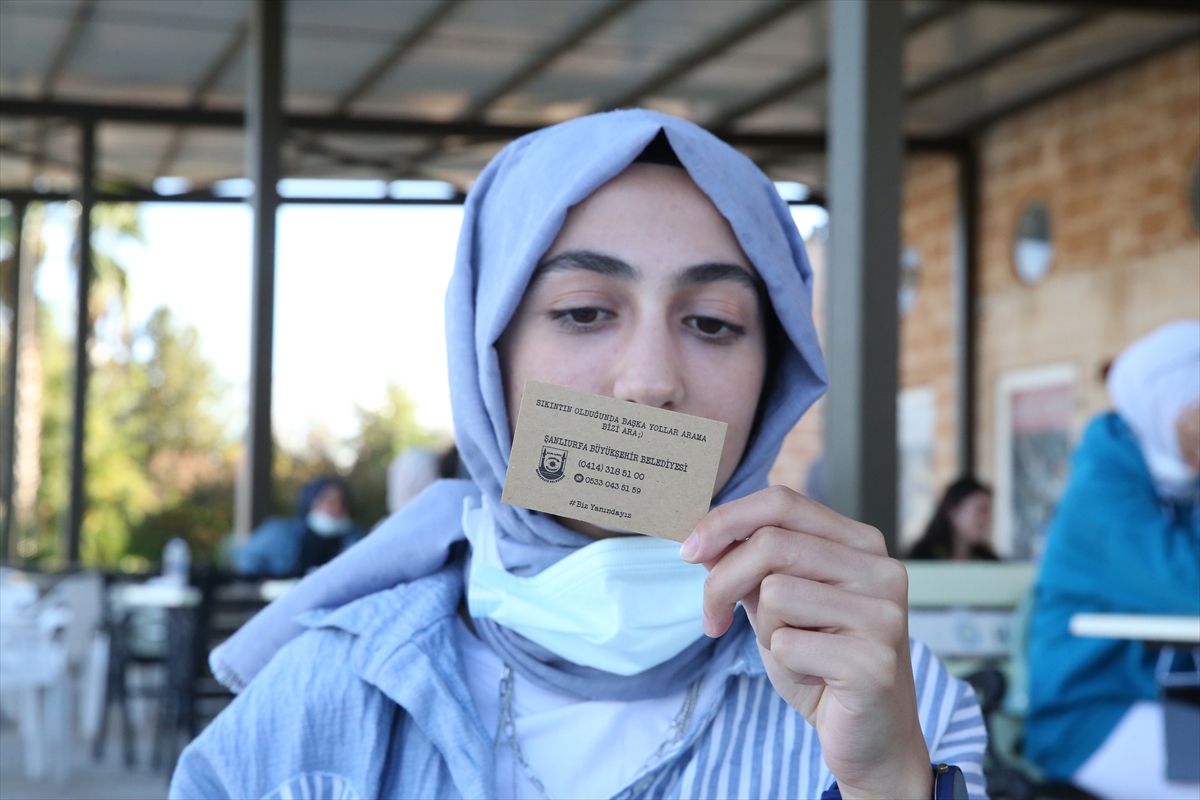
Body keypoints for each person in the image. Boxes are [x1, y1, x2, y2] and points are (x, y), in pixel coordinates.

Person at [172, 112, 986, 799]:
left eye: (712, 323)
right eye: (585, 312)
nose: (650, 382)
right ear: (489, 356)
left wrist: (887, 783)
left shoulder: (892, 700)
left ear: (773, 377)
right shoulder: (315, 703)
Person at [1025, 320, 1200, 798]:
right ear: (1166, 405)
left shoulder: (1176, 479)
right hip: (1091, 709)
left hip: (1173, 699)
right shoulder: (1101, 487)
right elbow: (1189, 587)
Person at [230, 476, 364, 578]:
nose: (337, 508)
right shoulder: (281, 532)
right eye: (329, 501)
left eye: (343, 502)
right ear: (310, 501)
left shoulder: (355, 537)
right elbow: (244, 557)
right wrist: (265, 581)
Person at [907, 478, 998, 561]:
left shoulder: (989, 561)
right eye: (981, 510)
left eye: (989, 513)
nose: (987, 520)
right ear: (953, 511)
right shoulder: (921, 558)